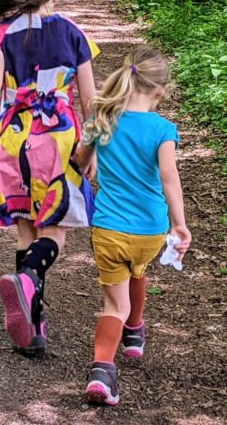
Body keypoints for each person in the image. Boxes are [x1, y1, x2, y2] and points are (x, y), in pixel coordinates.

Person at [0, 0, 98, 358]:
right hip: (58, 137)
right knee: (54, 228)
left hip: (13, 136)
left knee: (25, 227)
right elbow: (90, 101)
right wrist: (91, 149)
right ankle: (29, 283)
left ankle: (33, 327)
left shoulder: (0, 32)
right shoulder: (74, 32)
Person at [74, 45, 191, 406]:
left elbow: (80, 158)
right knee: (137, 268)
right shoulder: (162, 129)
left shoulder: (103, 118)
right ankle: (135, 335)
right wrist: (179, 224)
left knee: (114, 305)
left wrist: (89, 159)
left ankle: (102, 373)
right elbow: (169, 177)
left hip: (108, 227)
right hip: (149, 231)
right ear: (160, 91)